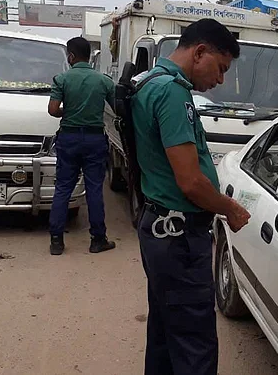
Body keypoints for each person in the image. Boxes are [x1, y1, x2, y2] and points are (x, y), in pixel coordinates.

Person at [131, 19, 251, 375]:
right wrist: (229, 208)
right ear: (200, 52)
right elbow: (190, 182)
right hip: (179, 238)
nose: (220, 80)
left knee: (166, 335)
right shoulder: (172, 93)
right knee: (194, 346)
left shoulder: (150, 82)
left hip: (160, 229)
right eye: (221, 67)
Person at [47, 37, 116, 256]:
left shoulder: (62, 79)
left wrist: (66, 112)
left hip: (69, 138)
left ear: (71, 56)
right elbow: (117, 108)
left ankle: (56, 241)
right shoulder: (103, 81)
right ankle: (98, 240)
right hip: (95, 140)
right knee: (95, 189)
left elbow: (52, 109)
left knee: (63, 188)